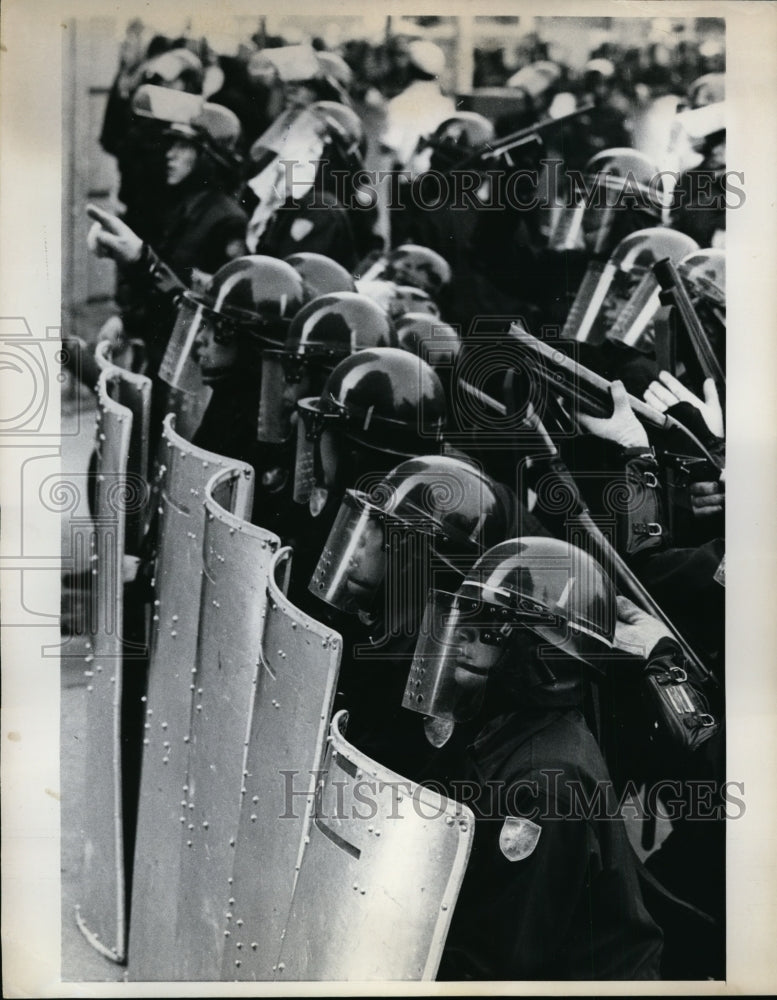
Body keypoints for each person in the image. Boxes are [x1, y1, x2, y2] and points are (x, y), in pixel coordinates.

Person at [402, 537, 666, 980]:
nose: (459, 634)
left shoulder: (544, 779)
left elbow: (499, 964)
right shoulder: (505, 725)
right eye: (465, 613)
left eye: (487, 625)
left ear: (537, 653)